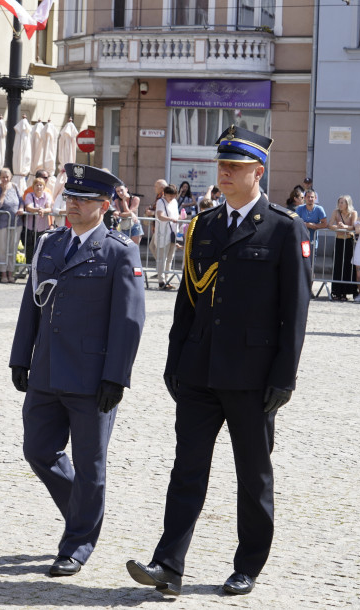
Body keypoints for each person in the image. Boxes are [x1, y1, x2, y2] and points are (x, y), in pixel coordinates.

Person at [127, 125, 311, 598]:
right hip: (199, 372)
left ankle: (248, 564)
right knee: (186, 469)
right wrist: (174, 359)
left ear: (259, 172)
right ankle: (168, 564)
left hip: (252, 378)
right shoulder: (204, 225)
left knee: (253, 475)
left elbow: (295, 312)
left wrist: (283, 378)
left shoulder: (284, 227)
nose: (224, 172)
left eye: (235, 166)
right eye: (222, 165)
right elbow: (187, 301)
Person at [10, 163, 145, 578]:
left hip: (91, 378)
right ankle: (84, 510)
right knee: (37, 450)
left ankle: (77, 544)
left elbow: (129, 320)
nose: (72, 205)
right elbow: (32, 304)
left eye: (83, 200)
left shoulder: (119, 250)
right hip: (48, 370)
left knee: (90, 464)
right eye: (70, 197)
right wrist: (21, 356)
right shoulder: (50, 244)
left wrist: (116, 376)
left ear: (104, 206)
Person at [0, 167, 22, 283]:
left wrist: (21, 208)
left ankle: (11, 273)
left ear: (11, 177)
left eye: (7, 177)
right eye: (3, 177)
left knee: (12, 248)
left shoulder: (15, 187)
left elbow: (21, 200)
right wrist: (3, 192)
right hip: (2, 223)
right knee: (3, 248)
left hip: (16, 222)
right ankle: (3, 273)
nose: (5, 179)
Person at [328, 195, 358, 300]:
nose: (340, 204)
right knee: (338, 264)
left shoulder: (353, 213)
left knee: (348, 266)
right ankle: (337, 292)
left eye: (342, 202)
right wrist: (338, 227)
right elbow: (330, 225)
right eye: (339, 202)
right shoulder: (335, 212)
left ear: (347, 204)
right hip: (339, 240)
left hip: (349, 241)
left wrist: (345, 227)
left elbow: (354, 227)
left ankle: (349, 291)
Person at [23, 169, 53, 261]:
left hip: (43, 227)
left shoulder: (47, 195)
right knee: (30, 250)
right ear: (34, 186)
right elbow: (28, 207)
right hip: (30, 228)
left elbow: (49, 208)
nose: (39, 187)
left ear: (44, 187)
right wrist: (38, 210)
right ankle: (29, 269)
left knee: (42, 250)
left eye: (41, 185)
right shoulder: (29, 194)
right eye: (37, 185)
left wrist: (44, 210)